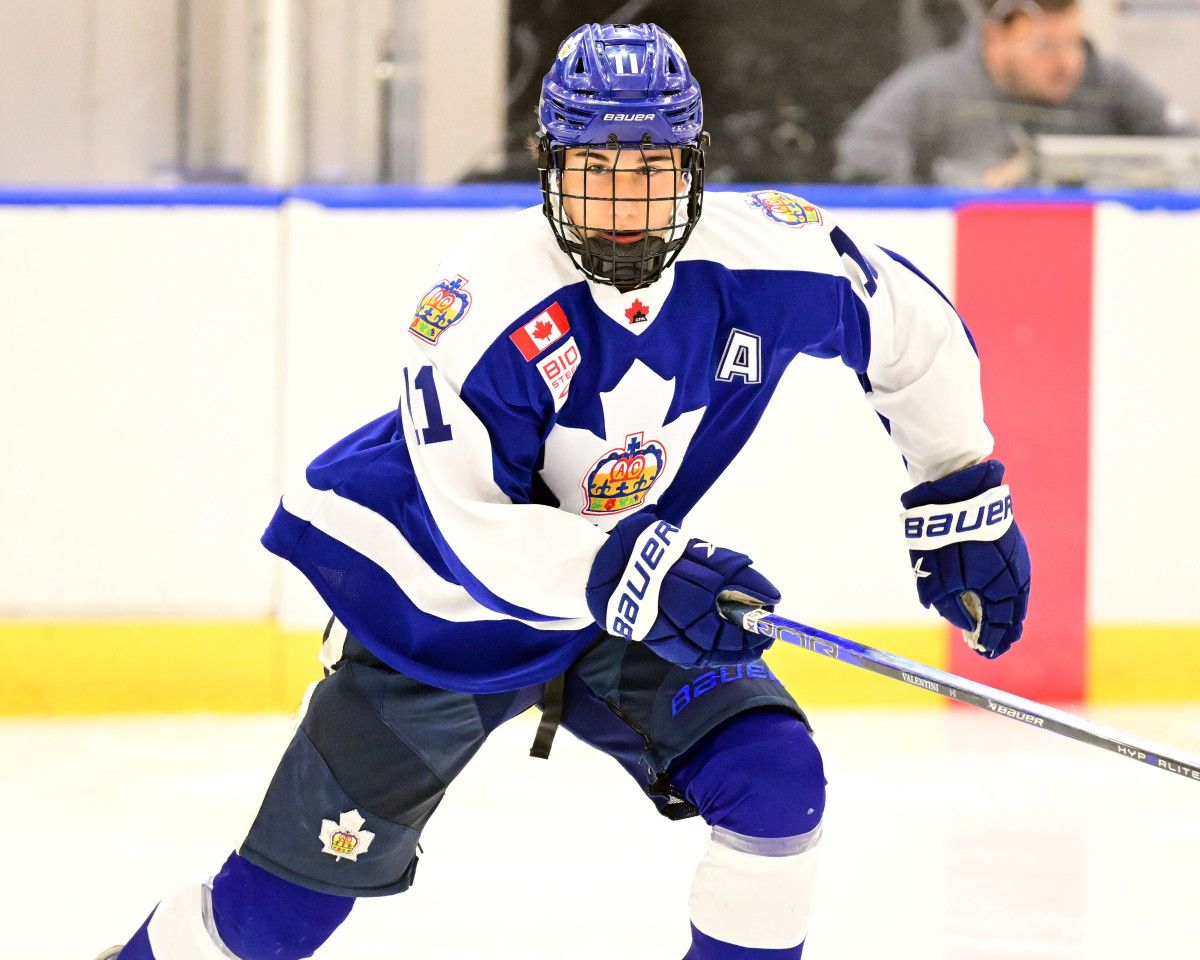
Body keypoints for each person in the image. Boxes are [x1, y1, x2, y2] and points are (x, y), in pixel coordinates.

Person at [95, 21, 1031, 960]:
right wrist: (642, 573)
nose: (625, 207)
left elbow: (909, 326)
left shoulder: (762, 257)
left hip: (619, 599)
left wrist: (958, 487)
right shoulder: (477, 303)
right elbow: (471, 527)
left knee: (776, 781)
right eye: (595, 170)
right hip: (441, 616)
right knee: (273, 918)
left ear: (697, 168)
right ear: (546, 166)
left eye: (654, 171)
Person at [835, 0, 1195, 187]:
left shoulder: (1108, 80)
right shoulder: (936, 88)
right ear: (997, 40)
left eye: (1075, 43)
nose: (1068, 63)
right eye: (1046, 47)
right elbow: (865, 160)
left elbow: (1188, 148)